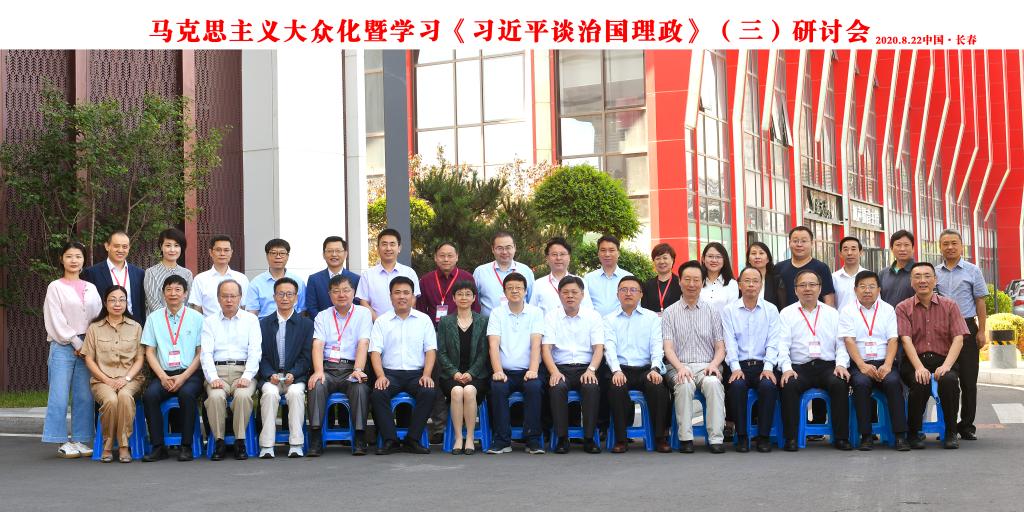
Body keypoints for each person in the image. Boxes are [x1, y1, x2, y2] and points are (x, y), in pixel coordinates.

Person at [777, 269, 852, 451]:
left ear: (820, 288)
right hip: (799, 367)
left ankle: (841, 438)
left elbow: (841, 344)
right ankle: (791, 438)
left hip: (827, 366)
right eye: (802, 285)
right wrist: (786, 368)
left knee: (839, 382)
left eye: (812, 285)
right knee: (789, 384)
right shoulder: (786, 313)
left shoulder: (832, 313)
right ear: (795, 290)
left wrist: (841, 365)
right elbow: (782, 345)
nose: (807, 289)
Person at [42, 241, 103, 459]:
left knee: (84, 395)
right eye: (69, 256)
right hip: (62, 345)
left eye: (78, 256)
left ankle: (80, 438)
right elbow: (55, 319)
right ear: (62, 259)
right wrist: (77, 343)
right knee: (59, 395)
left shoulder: (91, 288)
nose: (74, 260)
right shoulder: (55, 287)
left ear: (84, 260)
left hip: (88, 345)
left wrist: (89, 344)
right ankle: (60, 440)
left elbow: (97, 317)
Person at [896, 262, 967, 449]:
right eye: (917, 276)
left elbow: (958, 339)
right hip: (915, 361)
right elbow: (906, 340)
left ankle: (951, 432)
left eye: (927, 276)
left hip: (943, 359)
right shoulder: (903, 307)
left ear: (935, 280)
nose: (923, 280)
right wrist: (919, 367)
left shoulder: (950, 305)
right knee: (920, 381)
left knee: (949, 381)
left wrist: (947, 366)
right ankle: (914, 432)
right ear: (911, 282)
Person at [838, 270, 909, 451]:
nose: (867, 290)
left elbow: (893, 339)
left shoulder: (888, 309)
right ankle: (866, 435)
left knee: (893, 382)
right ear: (855, 290)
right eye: (862, 287)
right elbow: (849, 340)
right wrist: (862, 365)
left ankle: (900, 436)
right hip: (859, 363)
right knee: (861, 384)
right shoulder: (847, 311)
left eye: (871, 286)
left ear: (879, 289)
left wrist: (887, 364)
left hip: (885, 362)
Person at [662, 260, 727, 454]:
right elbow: (668, 348)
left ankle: (716, 438)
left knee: (713, 383)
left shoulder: (712, 311)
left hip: (707, 365)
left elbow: (720, 347)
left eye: (696, 280)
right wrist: (680, 368)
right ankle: (685, 438)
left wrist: (714, 365)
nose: (692, 284)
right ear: (679, 281)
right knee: (684, 384)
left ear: (702, 282)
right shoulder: (670, 312)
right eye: (687, 279)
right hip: (678, 366)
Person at [368, 276, 438, 455]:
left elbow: (430, 350)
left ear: (413, 296)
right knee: (378, 393)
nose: (402, 296)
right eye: (397, 292)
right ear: (390, 296)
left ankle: (412, 439)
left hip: (416, 374)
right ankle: (390, 440)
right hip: (390, 374)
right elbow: (375, 351)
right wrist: (380, 376)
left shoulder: (424, 320)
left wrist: (427, 375)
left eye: (406, 293)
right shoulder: (382, 321)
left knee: (428, 391)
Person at [141, 275, 206, 462]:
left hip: (190, 374)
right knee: (150, 396)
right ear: (163, 294)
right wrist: (162, 377)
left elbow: (200, 353)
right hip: (164, 374)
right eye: (169, 289)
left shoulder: (197, 318)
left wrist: (183, 377)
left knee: (186, 394)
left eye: (178, 290)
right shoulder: (153, 318)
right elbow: (149, 352)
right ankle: (158, 446)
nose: (173, 293)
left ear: (185, 294)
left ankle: (186, 446)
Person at [306, 274, 373, 456]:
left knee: (360, 387)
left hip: (351, 368)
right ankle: (316, 438)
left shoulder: (363, 313)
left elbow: (363, 343)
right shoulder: (322, 316)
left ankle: (360, 437)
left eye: (346, 290)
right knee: (316, 385)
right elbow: (318, 344)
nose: (341, 295)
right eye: (336, 291)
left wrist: (358, 370)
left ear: (353, 293)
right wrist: (318, 371)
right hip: (327, 368)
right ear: (330, 295)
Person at [604, 276, 670, 453]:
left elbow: (657, 346)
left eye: (633, 290)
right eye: (623, 289)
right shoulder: (609, 319)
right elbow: (609, 348)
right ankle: (621, 438)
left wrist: (655, 368)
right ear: (617, 294)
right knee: (616, 388)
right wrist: (616, 371)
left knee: (658, 387)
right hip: (621, 369)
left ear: (641, 294)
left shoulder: (651, 318)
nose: (628, 293)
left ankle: (660, 437)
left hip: (645, 369)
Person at [200, 279, 262, 461]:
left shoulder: (251, 320)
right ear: (218, 298)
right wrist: (212, 378)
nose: (229, 300)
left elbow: (255, 351)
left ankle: (240, 441)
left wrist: (247, 375)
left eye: (233, 296)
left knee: (243, 396)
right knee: (215, 397)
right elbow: (206, 353)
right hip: (217, 372)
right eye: (224, 296)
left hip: (243, 371)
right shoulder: (209, 321)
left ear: (240, 298)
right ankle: (218, 441)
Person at [934, 229, 988, 441]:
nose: (950, 247)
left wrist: (981, 330)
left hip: (966, 327)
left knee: (968, 380)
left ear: (961, 246)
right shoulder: (934, 272)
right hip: (941, 330)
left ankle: (966, 426)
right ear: (940, 247)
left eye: (954, 243)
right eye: (945, 243)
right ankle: (947, 425)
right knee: (945, 379)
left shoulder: (973, 271)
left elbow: (980, 301)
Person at [486, 272, 547, 455]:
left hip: (529, 370)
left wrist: (533, 370)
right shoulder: (497, 313)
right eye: (510, 288)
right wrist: (498, 371)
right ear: (504, 291)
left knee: (534, 387)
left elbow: (536, 344)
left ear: (525, 291)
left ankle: (533, 439)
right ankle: (502, 440)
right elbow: (493, 345)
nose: (514, 291)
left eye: (519, 288)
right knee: (497, 388)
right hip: (504, 371)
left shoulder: (535, 313)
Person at [82, 285, 145, 463]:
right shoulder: (94, 328)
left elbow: (140, 359)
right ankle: (107, 445)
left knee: (124, 396)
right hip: (102, 380)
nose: (117, 304)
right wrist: (106, 379)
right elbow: (89, 359)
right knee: (111, 400)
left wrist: (126, 378)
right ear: (105, 303)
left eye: (121, 300)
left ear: (126, 303)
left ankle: (124, 446)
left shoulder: (136, 327)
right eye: (112, 300)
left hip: (131, 379)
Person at [542, 275, 604, 454]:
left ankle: (589, 438)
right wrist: (554, 372)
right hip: (560, 367)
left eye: (574, 292)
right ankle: (562, 438)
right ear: (559, 294)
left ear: (582, 295)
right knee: (557, 387)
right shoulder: (551, 317)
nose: (570, 296)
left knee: (591, 387)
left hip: (586, 367)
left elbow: (598, 348)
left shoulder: (593, 316)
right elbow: (546, 349)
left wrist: (591, 370)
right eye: (565, 292)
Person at [722, 267, 781, 453]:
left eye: (755, 281)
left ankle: (763, 437)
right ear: (740, 285)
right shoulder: (729, 310)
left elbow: (773, 341)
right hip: (739, 365)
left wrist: (769, 367)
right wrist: (735, 368)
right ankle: (741, 436)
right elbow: (729, 342)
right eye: (746, 281)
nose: (751, 285)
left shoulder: (771, 309)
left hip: (764, 365)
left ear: (761, 285)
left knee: (768, 386)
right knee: (737, 386)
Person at [256, 277, 313, 459]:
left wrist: (293, 373)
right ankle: (267, 445)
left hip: (295, 377)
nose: (285, 298)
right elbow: (260, 355)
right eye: (281, 294)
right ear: (274, 297)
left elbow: (306, 357)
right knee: (270, 394)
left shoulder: (306, 324)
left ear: (296, 297)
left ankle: (296, 443)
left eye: (289, 294)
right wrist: (269, 374)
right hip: (271, 377)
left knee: (295, 393)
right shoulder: (263, 324)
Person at [436, 280, 490, 454]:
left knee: (469, 390)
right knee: (457, 391)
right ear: (453, 298)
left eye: (468, 294)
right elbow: (441, 352)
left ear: (474, 298)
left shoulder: (483, 321)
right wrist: (454, 373)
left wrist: (471, 373)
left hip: (477, 375)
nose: (464, 297)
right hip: (451, 376)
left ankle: (470, 438)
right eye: (460, 294)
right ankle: (459, 437)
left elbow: (484, 352)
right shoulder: (445, 322)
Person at [81, 231, 146, 324]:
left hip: (133, 326)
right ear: (107, 246)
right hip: (104, 326)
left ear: (129, 248)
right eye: (116, 246)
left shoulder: (139, 273)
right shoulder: (92, 273)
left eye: (124, 247)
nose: (120, 250)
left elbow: (141, 305)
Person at [356, 228, 420, 318]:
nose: (388, 248)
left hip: (404, 323)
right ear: (378, 248)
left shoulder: (409, 273)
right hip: (375, 324)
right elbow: (364, 302)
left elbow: (413, 299)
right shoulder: (367, 275)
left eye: (392, 244)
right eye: (384, 244)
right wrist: (379, 323)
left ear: (399, 248)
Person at [473, 231, 536, 316]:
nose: (504, 252)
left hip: (520, 322)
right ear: (493, 249)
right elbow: (474, 301)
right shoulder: (480, 272)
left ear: (514, 248)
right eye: (500, 248)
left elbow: (531, 301)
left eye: (508, 247)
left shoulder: (526, 271)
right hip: (488, 322)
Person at [417, 241, 479, 324]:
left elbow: (475, 307)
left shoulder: (467, 277)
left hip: (460, 328)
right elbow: (421, 309)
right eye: (442, 256)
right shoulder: (426, 280)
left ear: (457, 257)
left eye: (450, 256)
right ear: (435, 257)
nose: (446, 259)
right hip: (433, 328)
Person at [188, 235, 250, 318]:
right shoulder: (200, 279)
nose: (222, 253)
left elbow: (244, 306)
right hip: (209, 325)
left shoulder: (241, 278)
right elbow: (196, 308)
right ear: (211, 252)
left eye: (226, 250)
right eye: (218, 250)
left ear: (231, 252)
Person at [775, 226, 836, 307]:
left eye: (804, 241)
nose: (799, 244)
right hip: (785, 314)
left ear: (812, 243)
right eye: (795, 241)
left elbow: (828, 299)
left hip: (814, 314)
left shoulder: (821, 268)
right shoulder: (779, 267)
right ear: (789, 243)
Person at [246, 238, 307, 318]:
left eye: (282, 253)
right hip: (264, 324)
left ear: (287, 256)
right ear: (267, 256)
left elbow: (302, 310)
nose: (278, 257)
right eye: (273, 253)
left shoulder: (298, 281)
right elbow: (252, 313)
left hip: (293, 324)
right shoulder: (256, 283)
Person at [531, 237, 593, 315]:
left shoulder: (580, 282)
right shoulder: (538, 284)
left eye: (562, 254)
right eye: (554, 254)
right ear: (547, 258)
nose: (558, 258)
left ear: (569, 257)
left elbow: (588, 310)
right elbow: (532, 312)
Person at [143, 228, 194, 317]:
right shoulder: (151, 273)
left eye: (176, 245)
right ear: (161, 246)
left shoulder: (187, 274)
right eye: (168, 245)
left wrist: (180, 319)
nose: (172, 250)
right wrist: (170, 319)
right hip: (158, 321)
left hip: (183, 321)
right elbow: (153, 303)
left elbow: (188, 301)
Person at [305, 235, 362, 315]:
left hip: (350, 322)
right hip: (321, 322)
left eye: (338, 251)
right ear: (324, 254)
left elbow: (358, 305)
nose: (334, 254)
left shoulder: (356, 279)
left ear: (345, 254)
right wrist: (322, 321)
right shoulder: (314, 279)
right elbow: (311, 307)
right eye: (330, 251)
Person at [585, 235, 633, 316]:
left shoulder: (629, 277)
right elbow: (584, 305)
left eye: (611, 250)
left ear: (618, 253)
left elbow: (635, 304)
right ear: (598, 253)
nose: (607, 254)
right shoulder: (588, 278)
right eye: (603, 250)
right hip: (596, 323)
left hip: (622, 322)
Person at [641, 243, 682, 315]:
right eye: (658, 258)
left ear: (672, 260)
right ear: (653, 261)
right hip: (653, 322)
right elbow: (644, 310)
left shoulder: (681, 283)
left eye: (665, 258)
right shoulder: (647, 285)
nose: (661, 262)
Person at [879, 230, 917, 307]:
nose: (902, 249)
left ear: (913, 248)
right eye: (898, 245)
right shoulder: (883, 273)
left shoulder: (920, 272)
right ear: (891, 248)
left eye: (906, 245)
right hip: (887, 315)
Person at [746, 241, 788, 310]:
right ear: (749, 260)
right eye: (753, 253)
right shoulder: (743, 280)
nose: (757, 257)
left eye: (761, 253)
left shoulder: (776, 281)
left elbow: (783, 306)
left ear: (768, 259)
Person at [700, 242, 738, 314]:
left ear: (724, 260)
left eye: (718, 257)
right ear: (703, 259)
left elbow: (732, 312)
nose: (714, 260)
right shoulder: (696, 282)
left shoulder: (732, 284)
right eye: (710, 256)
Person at [831, 236, 866, 312]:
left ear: (860, 252)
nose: (849, 253)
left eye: (853, 249)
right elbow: (831, 304)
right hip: (840, 319)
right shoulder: (834, 278)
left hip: (864, 319)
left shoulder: (868, 276)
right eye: (846, 249)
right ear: (840, 253)